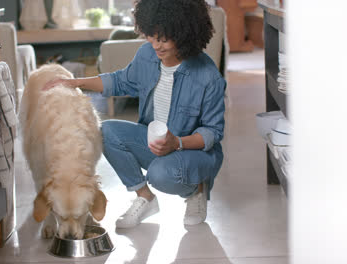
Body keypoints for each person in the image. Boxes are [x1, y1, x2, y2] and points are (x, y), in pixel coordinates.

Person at [43, 0, 226, 228]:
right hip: (157, 143)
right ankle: (145, 197)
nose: (156, 45)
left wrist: (176, 143)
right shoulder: (147, 55)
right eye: (151, 35)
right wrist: (75, 82)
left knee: (160, 174)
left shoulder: (208, 76)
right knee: (107, 131)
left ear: (185, 34)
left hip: (191, 151)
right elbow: (120, 81)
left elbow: (212, 133)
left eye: (164, 38)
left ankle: (197, 189)